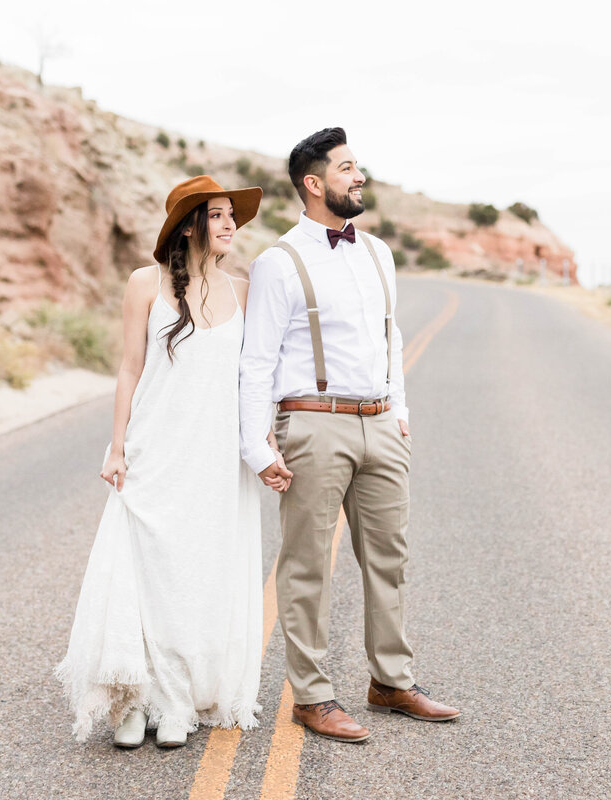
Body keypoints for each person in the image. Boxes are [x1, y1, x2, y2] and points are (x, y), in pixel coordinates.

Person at [239, 128, 460, 744]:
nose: (358, 177)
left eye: (357, 166)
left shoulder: (378, 253)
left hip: (381, 423)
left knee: (389, 559)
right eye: (346, 168)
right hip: (313, 423)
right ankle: (312, 696)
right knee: (307, 564)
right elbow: (256, 363)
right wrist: (258, 445)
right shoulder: (278, 263)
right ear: (314, 184)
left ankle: (391, 680)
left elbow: (389, 338)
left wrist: (402, 411)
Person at [56, 175, 284, 749]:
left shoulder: (241, 290)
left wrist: (263, 442)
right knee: (145, 568)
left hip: (215, 458)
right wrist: (116, 445)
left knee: (197, 575)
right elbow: (130, 367)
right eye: (217, 214)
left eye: (233, 215)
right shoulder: (144, 284)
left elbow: (255, 377)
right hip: (155, 448)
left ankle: (179, 698)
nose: (231, 224)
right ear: (188, 224)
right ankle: (132, 700)